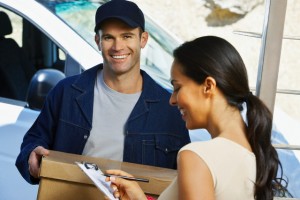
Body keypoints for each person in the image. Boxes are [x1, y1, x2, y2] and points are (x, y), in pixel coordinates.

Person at [15, 0, 190, 185]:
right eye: (108, 37)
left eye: (127, 36)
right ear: (98, 41)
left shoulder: (170, 108)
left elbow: (183, 181)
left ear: (143, 39)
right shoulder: (65, 93)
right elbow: (33, 142)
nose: (117, 46)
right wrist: (32, 157)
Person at [105, 36, 288, 200]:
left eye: (177, 88)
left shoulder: (196, 156)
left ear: (208, 86)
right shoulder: (254, 154)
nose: (172, 100)